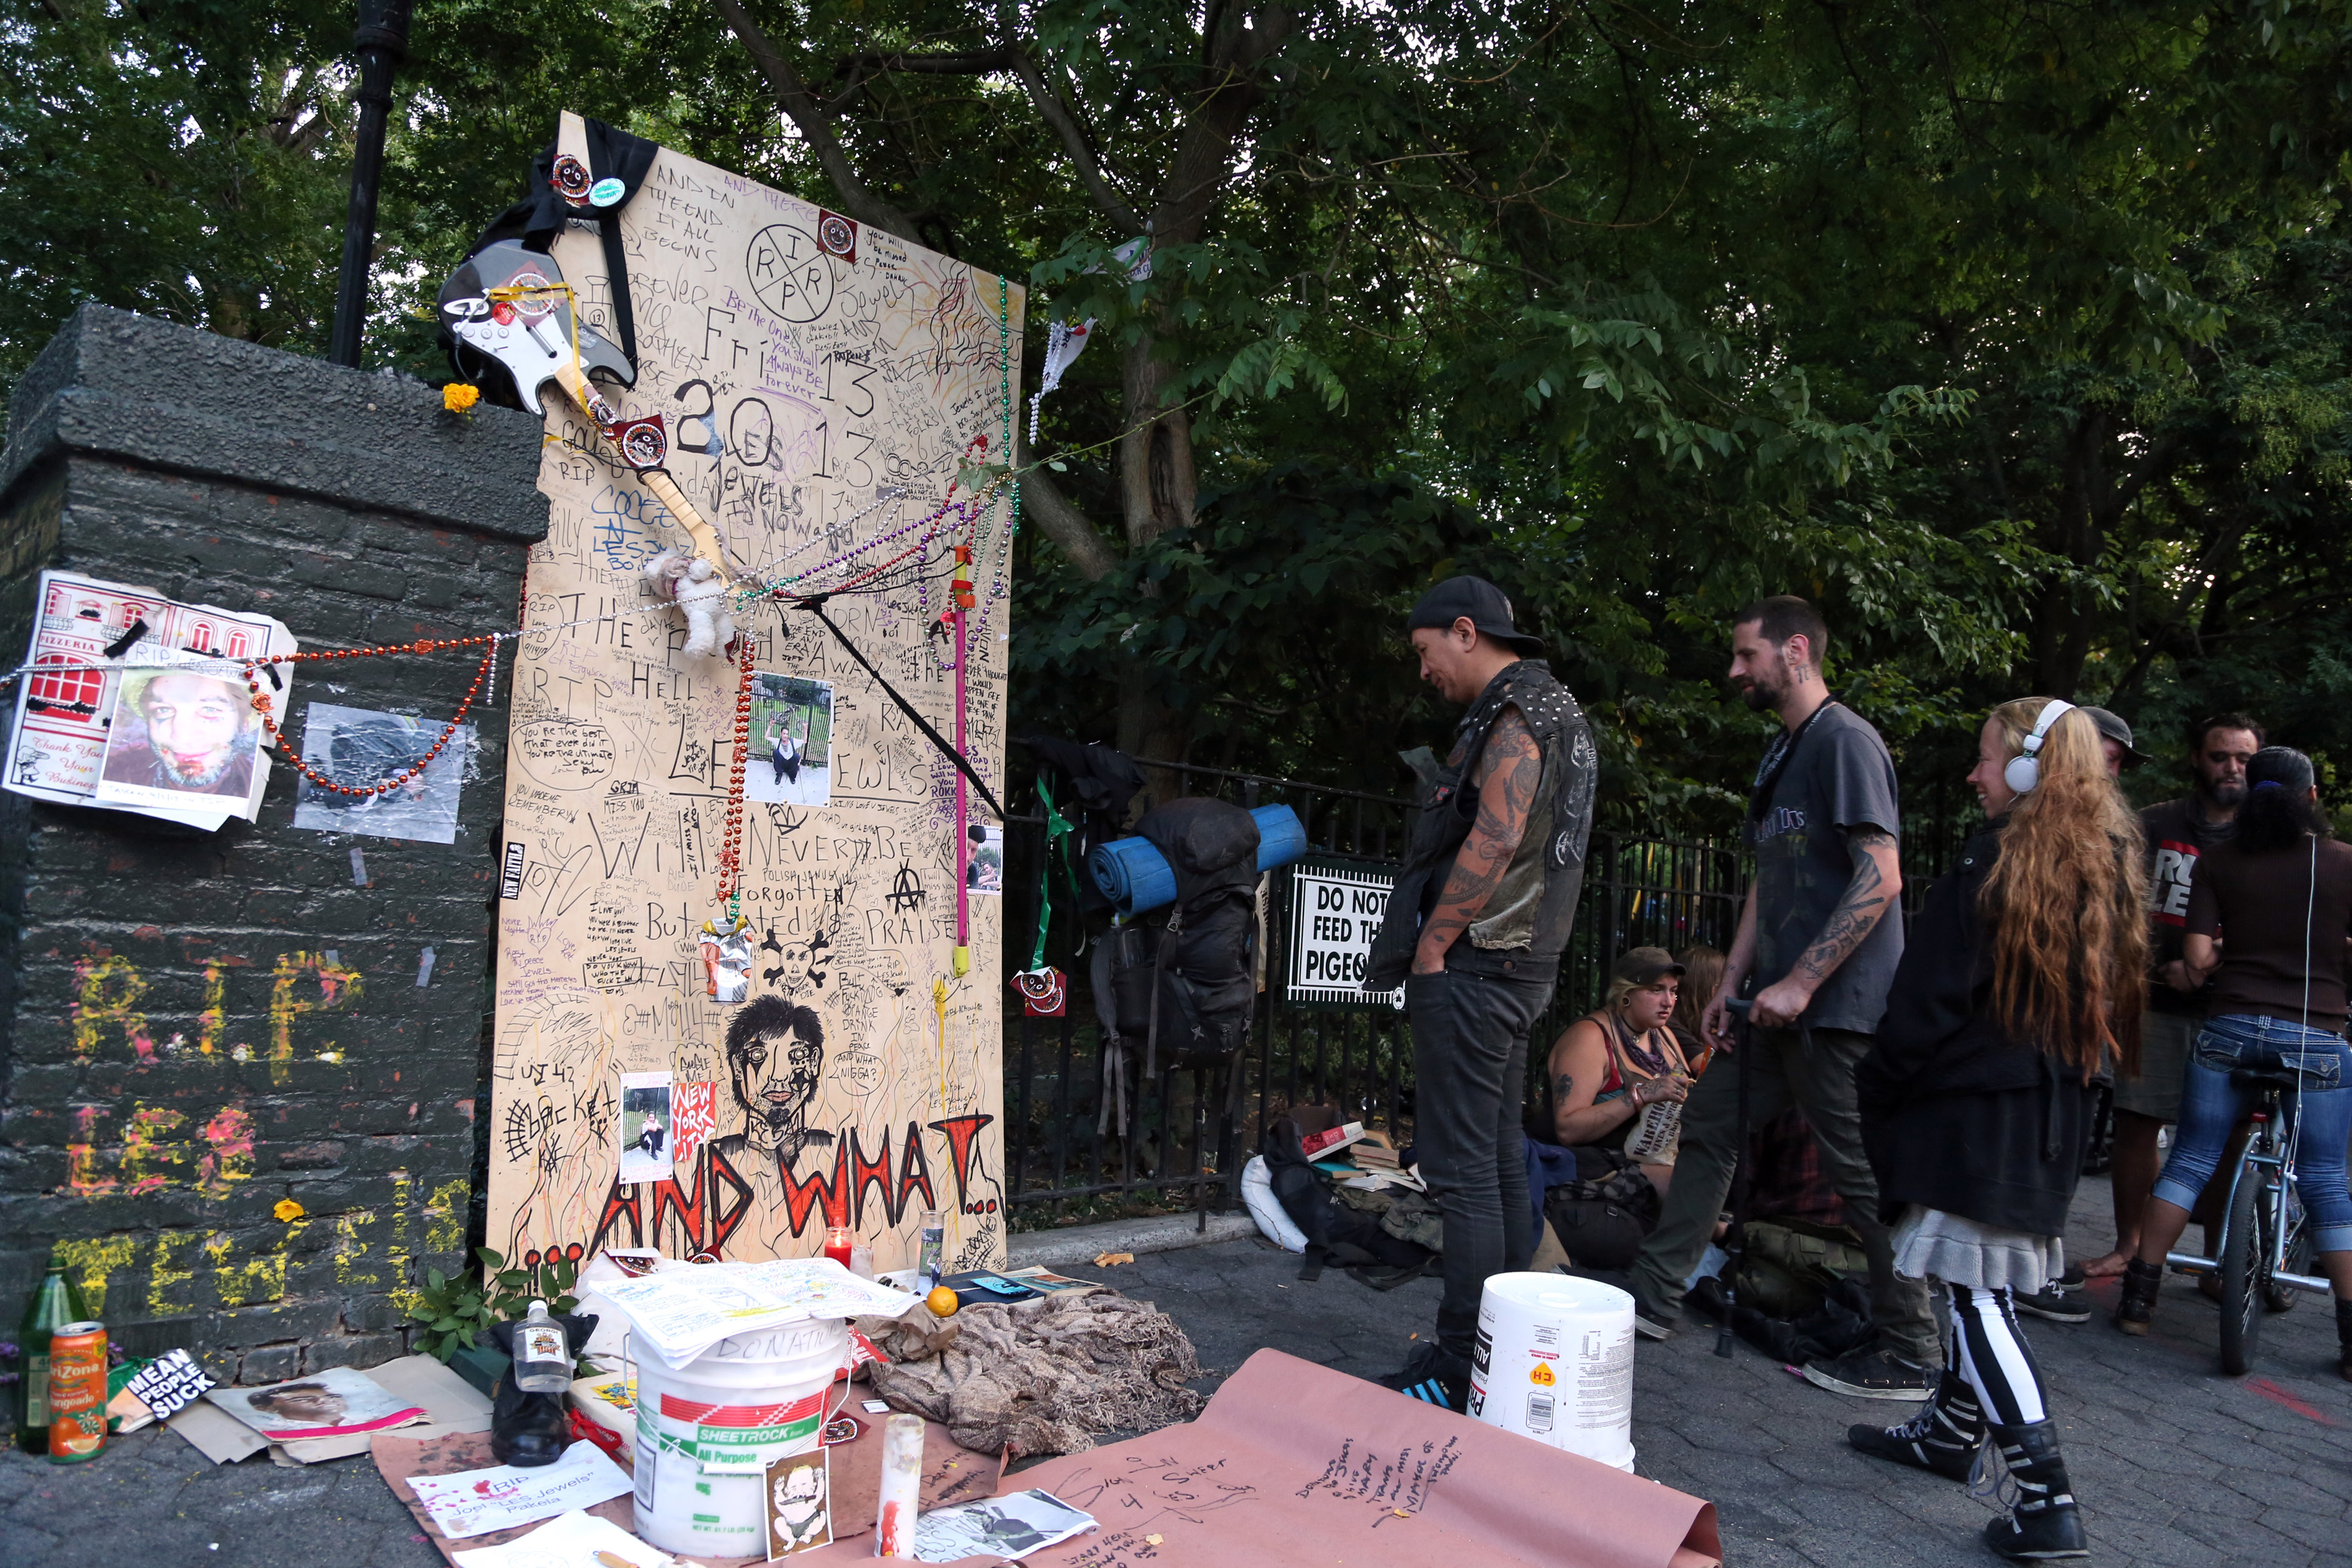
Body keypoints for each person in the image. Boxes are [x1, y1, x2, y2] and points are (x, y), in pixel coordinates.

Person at [1622, 596, 1940, 1397]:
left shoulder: (1846, 742)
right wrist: (1732, 981)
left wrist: (1803, 982)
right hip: (1773, 1009)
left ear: (1795, 651)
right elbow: (1771, 878)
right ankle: (1653, 1300)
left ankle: (1914, 1348)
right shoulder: (1783, 752)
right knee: (1707, 1124)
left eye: (1745, 656)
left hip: (1837, 1013)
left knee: (1859, 1178)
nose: (1734, 671)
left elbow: (1883, 874)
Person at [1848, 697, 2143, 1561]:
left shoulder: (1994, 866)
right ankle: (1948, 1433)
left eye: (1987, 760)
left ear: (2026, 769)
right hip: (2046, 1111)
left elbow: (1925, 1003)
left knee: (1976, 1295)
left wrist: (1881, 1089)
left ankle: (2047, 1500)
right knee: (1976, 1280)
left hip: (1977, 1113)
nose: (1975, 776)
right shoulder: (2101, 869)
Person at [1360, 576, 1598, 1412]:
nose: (1423, 671)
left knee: (1461, 1174)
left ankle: (1461, 1363)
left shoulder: (1519, 716)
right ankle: (1495, 1356)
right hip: (1520, 966)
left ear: (1466, 632)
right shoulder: (1559, 710)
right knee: (1496, 1162)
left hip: (1479, 965)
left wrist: (1433, 942)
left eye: (1426, 652)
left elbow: (1495, 834)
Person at [2115, 746, 2352, 1382]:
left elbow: (2195, 959)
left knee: (2191, 1158)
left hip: (2230, 1029)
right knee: (2327, 1178)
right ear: (2310, 799)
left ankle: (2139, 1297)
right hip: (2317, 1036)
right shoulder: (2343, 864)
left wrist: (2222, 955)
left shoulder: (2221, 862)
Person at [2080, 713, 2264, 1281]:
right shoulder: (2156, 824)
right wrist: (2154, 966)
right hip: (2156, 999)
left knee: (2232, 1132)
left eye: (2245, 759)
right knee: (2138, 1122)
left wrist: (2212, 966)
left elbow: (2276, 917)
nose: (2233, 768)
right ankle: (2131, 1246)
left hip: (2232, 1005)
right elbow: (2119, 906)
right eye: (2220, 756)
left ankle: (2218, 1259)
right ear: (2196, 759)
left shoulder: (2265, 835)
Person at [1546, 947, 1694, 1197]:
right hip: (1600, 1168)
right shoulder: (1589, 1037)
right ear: (1626, 993)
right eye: (1655, 990)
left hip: (1661, 1161)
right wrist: (1641, 1095)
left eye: (1673, 992)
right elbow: (1568, 1129)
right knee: (1691, 1188)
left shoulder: (1663, 1034)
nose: (1668, 1002)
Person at [100, 667, 258, 797]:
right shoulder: (114, 772)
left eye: (210, 709)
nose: (182, 736)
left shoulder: (256, 788)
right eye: (163, 710)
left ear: (243, 725)